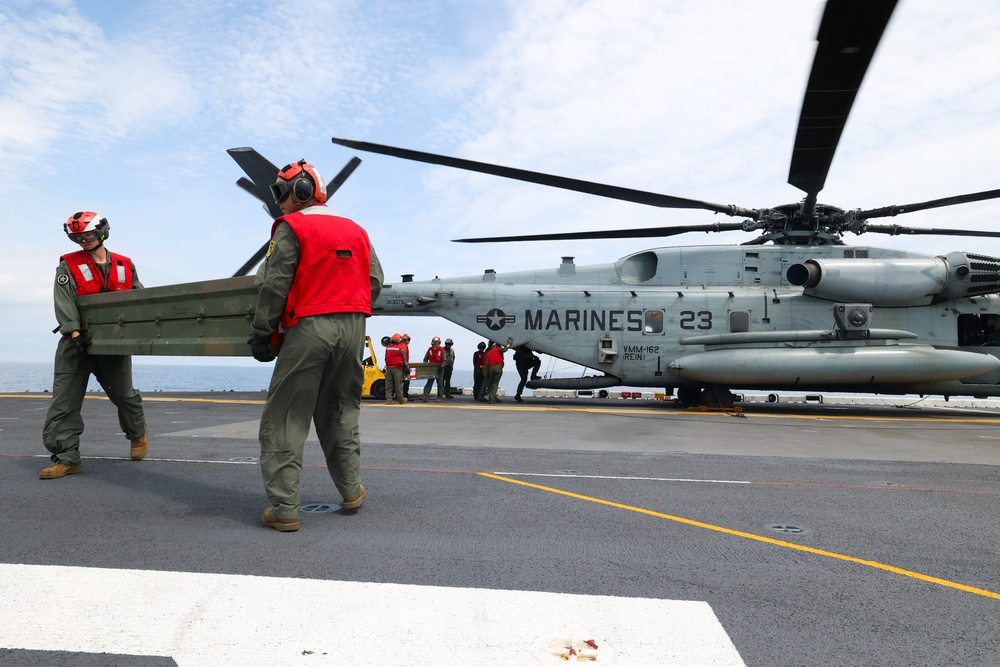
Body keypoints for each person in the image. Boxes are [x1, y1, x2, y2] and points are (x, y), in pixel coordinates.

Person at [250, 159, 384, 532]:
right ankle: (351, 489)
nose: (277, 201)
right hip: (354, 327)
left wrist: (263, 331)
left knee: (285, 418)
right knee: (341, 410)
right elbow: (375, 280)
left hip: (311, 326)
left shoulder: (291, 226)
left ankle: (284, 509)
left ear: (304, 191)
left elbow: (274, 285)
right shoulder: (356, 230)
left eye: (281, 192)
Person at [40, 212, 148, 479]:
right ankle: (67, 458)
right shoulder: (68, 265)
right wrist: (74, 334)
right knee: (64, 402)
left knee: (124, 396)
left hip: (112, 344)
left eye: (87, 235)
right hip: (76, 344)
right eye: (78, 236)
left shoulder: (126, 265)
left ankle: (137, 433)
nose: (83, 240)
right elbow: (63, 300)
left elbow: (141, 300)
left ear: (101, 232)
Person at [485, 337, 514, 404]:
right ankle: (492, 399)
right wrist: (509, 344)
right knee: (495, 383)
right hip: (498, 367)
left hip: (491, 368)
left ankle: (491, 398)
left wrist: (486, 373)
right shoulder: (498, 349)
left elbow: (486, 365)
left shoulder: (488, 353)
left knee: (491, 383)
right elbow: (505, 349)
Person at [384, 333, 408, 405]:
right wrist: (407, 368)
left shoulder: (387, 348)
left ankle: (389, 400)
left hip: (389, 368)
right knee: (398, 385)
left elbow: (385, 358)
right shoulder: (401, 349)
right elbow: (404, 360)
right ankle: (401, 400)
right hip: (397, 369)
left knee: (388, 385)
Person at [419, 336, 445, 402]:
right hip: (431, 369)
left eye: (439, 343)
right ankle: (425, 396)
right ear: (433, 343)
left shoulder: (442, 350)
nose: (438, 344)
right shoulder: (429, 350)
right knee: (429, 383)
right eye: (436, 343)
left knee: (440, 383)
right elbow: (425, 359)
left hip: (439, 369)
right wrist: (426, 367)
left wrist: (442, 367)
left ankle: (439, 397)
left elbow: (445, 360)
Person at [400, 333, 412, 398]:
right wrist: (407, 366)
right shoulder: (404, 346)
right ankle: (405, 395)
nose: (409, 341)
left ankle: (400, 394)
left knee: (400, 381)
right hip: (403, 366)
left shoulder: (400, 345)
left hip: (400, 366)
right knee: (406, 381)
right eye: (409, 339)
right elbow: (404, 357)